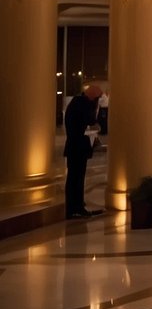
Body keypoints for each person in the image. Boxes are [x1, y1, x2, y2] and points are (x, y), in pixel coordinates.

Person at [63, 85, 103, 218]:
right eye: (97, 97)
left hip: (76, 146)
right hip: (77, 146)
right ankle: (75, 207)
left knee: (77, 177)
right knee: (76, 178)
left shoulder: (77, 102)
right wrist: (95, 107)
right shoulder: (81, 103)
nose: (98, 100)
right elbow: (91, 120)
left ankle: (76, 206)